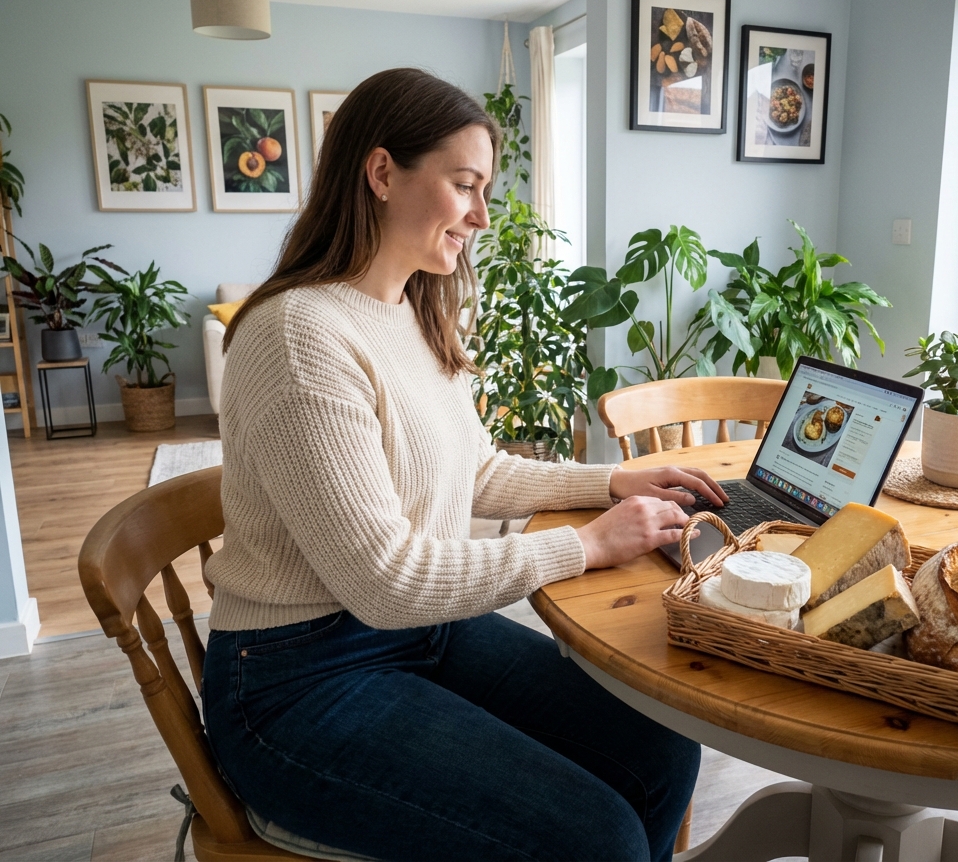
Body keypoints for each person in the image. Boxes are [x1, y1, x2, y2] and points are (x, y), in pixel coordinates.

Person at [201, 67, 728, 862]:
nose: (481, 216)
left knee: (661, 751)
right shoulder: (299, 337)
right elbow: (383, 580)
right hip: (297, 681)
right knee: (597, 837)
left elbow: (475, 472)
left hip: (416, 633)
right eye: (465, 185)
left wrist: (610, 482)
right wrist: (587, 544)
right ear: (382, 173)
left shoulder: (409, 308)